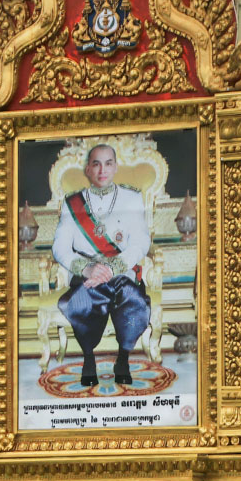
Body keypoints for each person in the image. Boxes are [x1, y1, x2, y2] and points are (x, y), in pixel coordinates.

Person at [50, 143, 152, 389]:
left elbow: (141, 241)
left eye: (108, 163)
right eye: (96, 164)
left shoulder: (132, 198)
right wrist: (87, 269)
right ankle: (88, 358)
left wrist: (113, 267)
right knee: (82, 301)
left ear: (115, 167)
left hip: (122, 272)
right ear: (88, 169)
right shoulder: (72, 203)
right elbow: (60, 247)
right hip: (87, 275)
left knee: (133, 300)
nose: (102, 170)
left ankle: (123, 358)